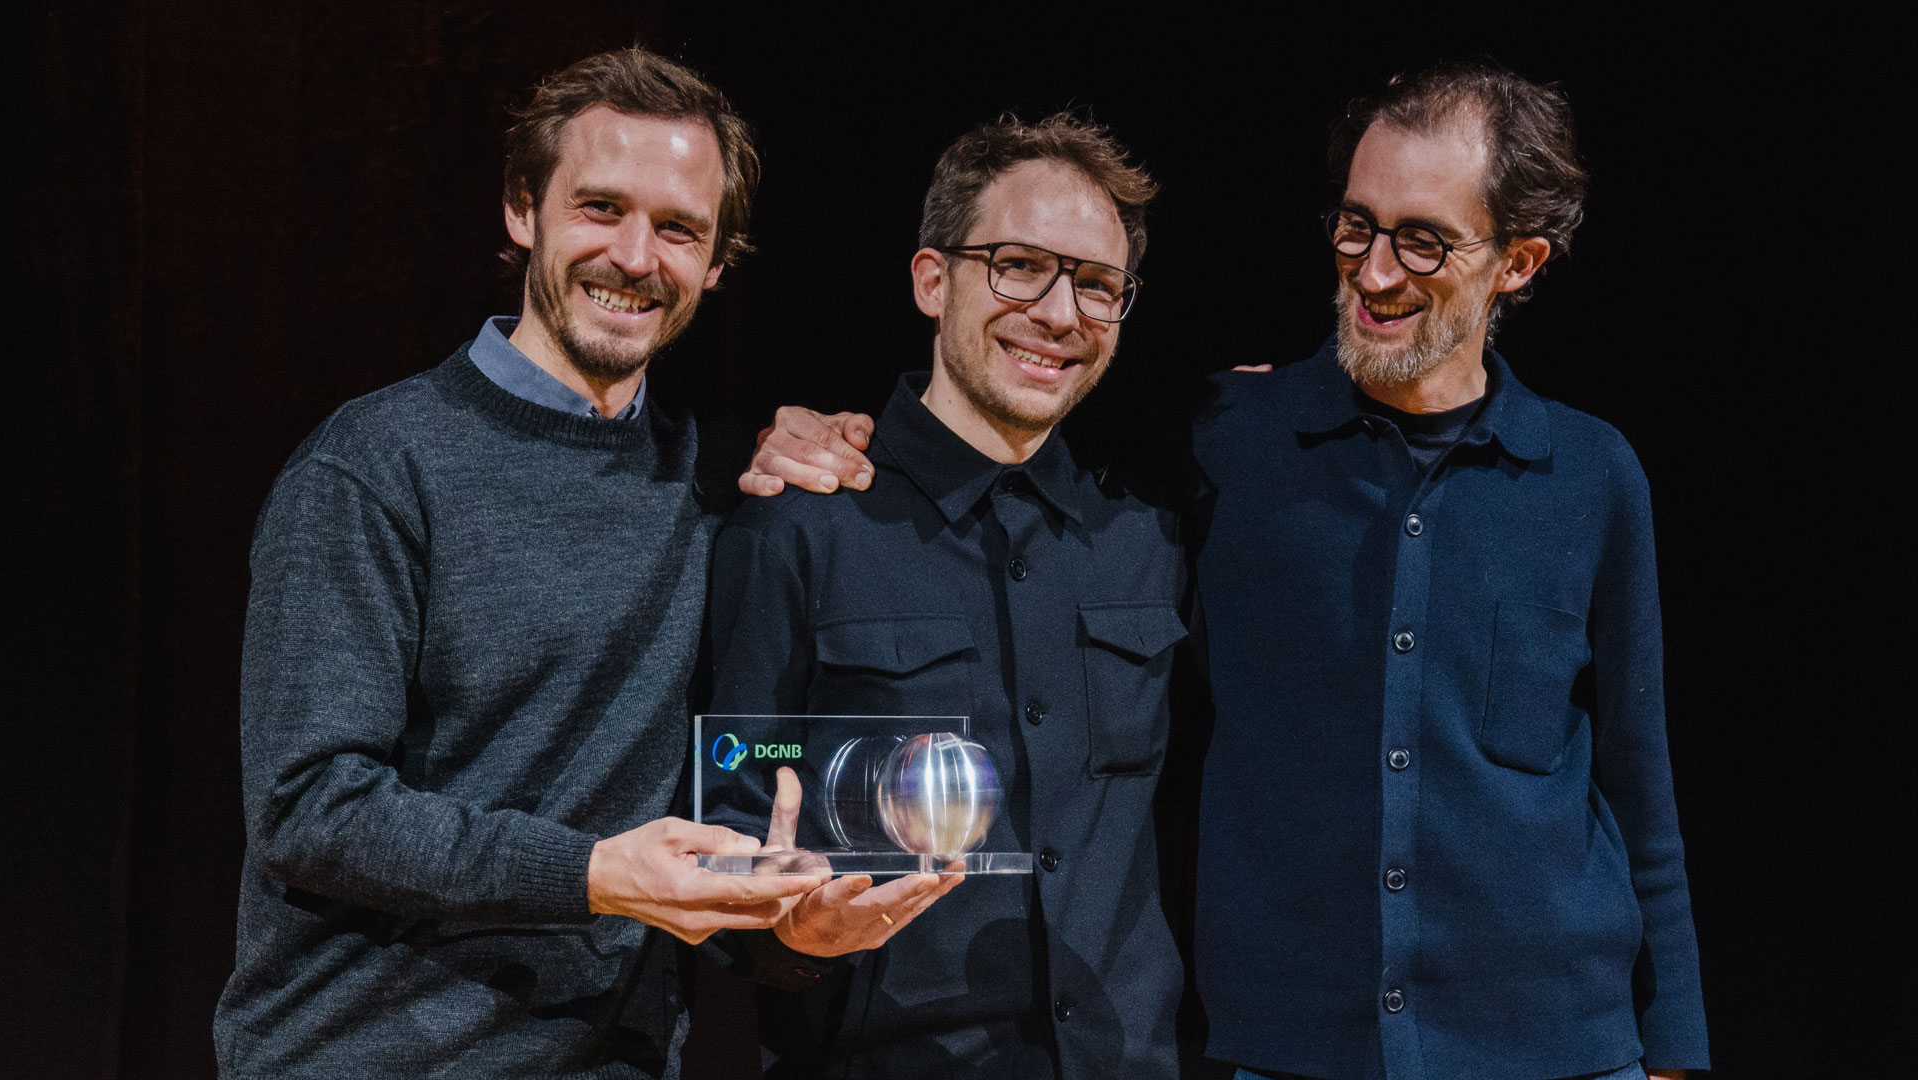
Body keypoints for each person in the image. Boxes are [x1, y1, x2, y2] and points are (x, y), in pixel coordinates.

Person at [746, 62, 1708, 1080]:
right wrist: (794, 427)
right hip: (1297, 1050)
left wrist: (1675, 1047)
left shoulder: (1592, 474)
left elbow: (1638, 786)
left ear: (1517, 262)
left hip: (1562, 1048)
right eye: (1356, 225)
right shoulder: (1226, 440)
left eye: (1422, 240)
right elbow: (1001, 404)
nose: (1374, 270)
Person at [214, 47, 822, 1080]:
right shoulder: (372, 467)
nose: (635, 256)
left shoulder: (709, 485)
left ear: (717, 263)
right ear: (521, 209)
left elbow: (731, 763)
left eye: (678, 228)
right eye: (600, 208)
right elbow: (310, 807)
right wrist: (589, 872)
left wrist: (797, 922)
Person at [705, 113, 1185, 1078]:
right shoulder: (798, 530)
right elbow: (730, 806)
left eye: (1097, 285)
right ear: (933, 280)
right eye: (1018, 265)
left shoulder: (1149, 540)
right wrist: (791, 936)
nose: (1059, 313)